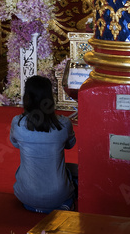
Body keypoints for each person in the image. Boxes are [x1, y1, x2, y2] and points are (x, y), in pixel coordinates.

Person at [9, 75, 78, 213]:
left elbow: (15, 144)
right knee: (75, 171)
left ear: (27, 98)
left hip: (25, 195)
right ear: (50, 99)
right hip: (58, 194)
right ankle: (64, 203)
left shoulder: (18, 123)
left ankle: (37, 206)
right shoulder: (63, 124)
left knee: (22, 168)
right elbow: (71, 144)